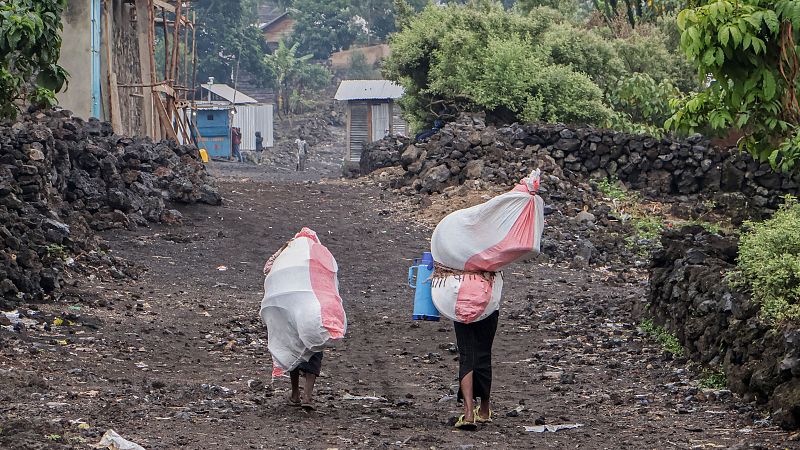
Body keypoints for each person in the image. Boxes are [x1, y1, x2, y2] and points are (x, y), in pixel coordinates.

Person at [453, 309, 499, 430]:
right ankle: (484, 411)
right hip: (488, 306)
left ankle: (468, 414)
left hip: (463, 306)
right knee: (484, 354)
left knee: (467, 355)